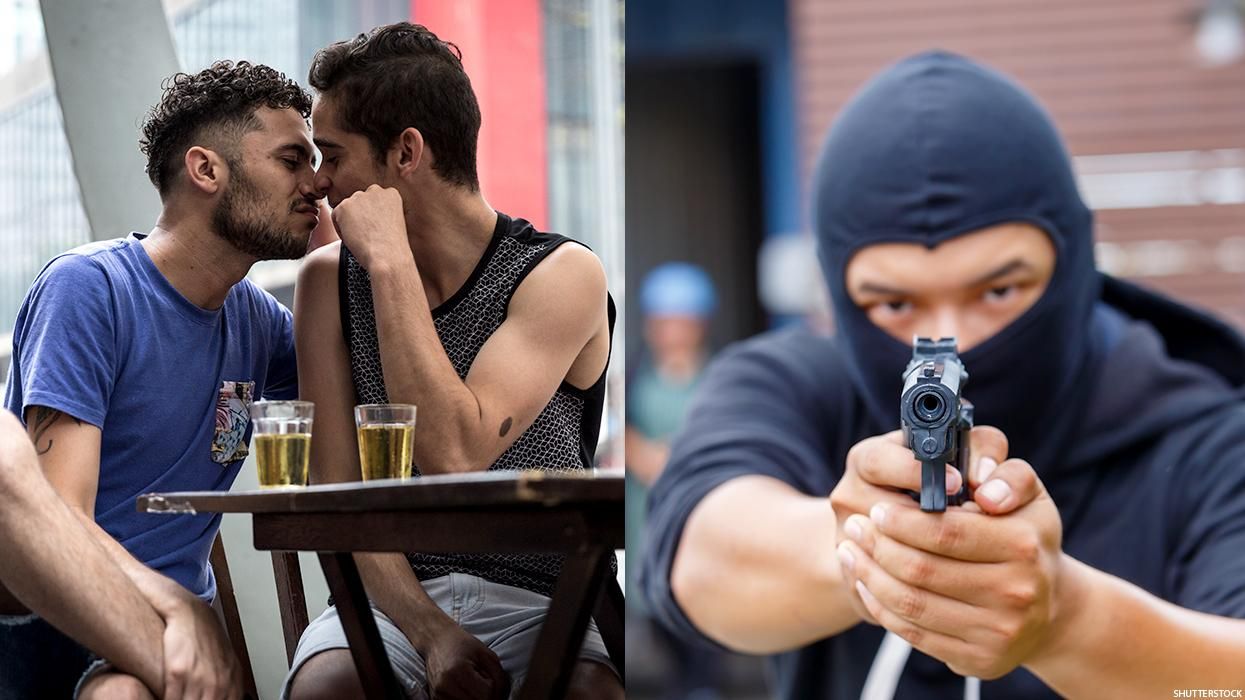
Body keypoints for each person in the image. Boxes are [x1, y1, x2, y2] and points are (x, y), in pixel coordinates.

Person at [640, 50, 1245, 699]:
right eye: (894, 305)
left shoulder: (1207, 433)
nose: (949, 346)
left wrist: (1071, 622)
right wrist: (861, 550)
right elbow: (694, 556)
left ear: (1069, 264)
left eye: (999, 291)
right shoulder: (790, 383)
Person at [282, 22, 622, 700]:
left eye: (333, 154)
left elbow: (453, 449)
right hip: (388, 605)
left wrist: (388, 260)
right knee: (329, 690)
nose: (320, 182)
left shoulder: (560, 275)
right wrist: (430, 631)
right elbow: (337, 502)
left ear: (406, 152)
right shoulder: (325, 284)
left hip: (545, 599)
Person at [1, 59, 318, 699]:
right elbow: (62, 521)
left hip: (170, 632)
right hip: (60, 620)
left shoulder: (259, 323)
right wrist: (177, 610)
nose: (319, 184)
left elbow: (355, 417)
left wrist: (348, 264)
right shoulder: (89, 289)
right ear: (206, 170)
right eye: (293, 161)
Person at [625, 262, 728, 699]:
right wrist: (644, 454)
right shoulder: (634, 373)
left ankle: (702, 684)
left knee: (704, 593)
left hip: (700, 508)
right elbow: (617, 425)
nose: (672, 332)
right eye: (664, 323)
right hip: (646, 507)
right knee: (652, 593)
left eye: (682, 322)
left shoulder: (721, 376)